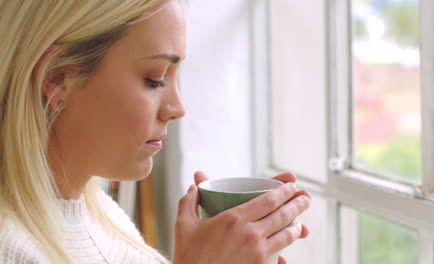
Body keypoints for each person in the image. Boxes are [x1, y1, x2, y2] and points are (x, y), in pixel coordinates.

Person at [0, 0, 312, 263]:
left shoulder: (106, 218)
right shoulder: (13, 250)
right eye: (156, 79)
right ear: (56, 78)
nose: (177, 108)